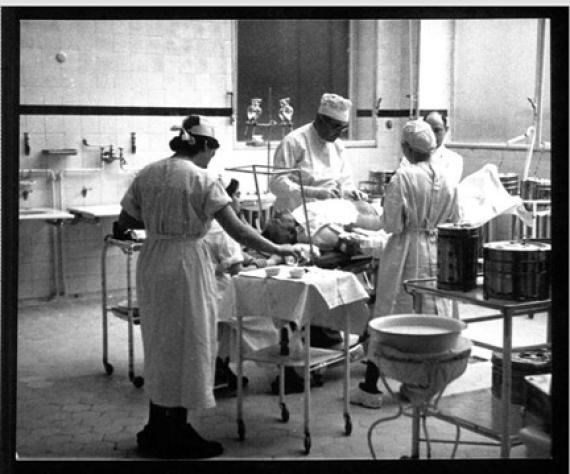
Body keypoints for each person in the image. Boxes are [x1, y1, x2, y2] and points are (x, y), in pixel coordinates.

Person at [117, 115, 300, 459]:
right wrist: (279, 249)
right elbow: (239, 231)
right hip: (186, 262)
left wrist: (162, 218)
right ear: (203, 146)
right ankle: (176, 433)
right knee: (189, 343)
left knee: (159, 342)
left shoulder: (148, 173)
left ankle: (156, 426)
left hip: (154, 259)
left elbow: (126, 220)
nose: (211, 160)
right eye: (211, 153)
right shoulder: (203, 179)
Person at [350, 119, 460, 409]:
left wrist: (366, 220)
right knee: (429, 316)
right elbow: (455, 219)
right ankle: (421, 385)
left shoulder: (404, 177)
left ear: (407, 148)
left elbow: (391, 224)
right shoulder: (448, 177)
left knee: (390, 315)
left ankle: (370, 387)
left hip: (406, 253)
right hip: (436, 251)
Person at [203, 178, 281, 391]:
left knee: (227, 328)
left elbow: (231, 257)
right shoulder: (223, 230)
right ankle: (288, 371)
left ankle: (219, 367)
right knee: (271, 319)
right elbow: (239, 272)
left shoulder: (206, 225)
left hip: (204, 291)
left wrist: (248, 257)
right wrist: (272, 261)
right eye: (236, 196)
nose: (240, 200)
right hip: (220, 294)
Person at [269, 92, 367, 213]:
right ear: (320, 120)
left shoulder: (337, 146)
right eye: (336, 128)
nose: (339, 133)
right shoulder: (294, 142)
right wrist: (313, 192)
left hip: (326, 213)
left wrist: (350, 192)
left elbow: (345, 182)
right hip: (295, 214)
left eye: (343, 129)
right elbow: (276, 184)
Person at [400, 111, 464, 186]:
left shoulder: (454, 160)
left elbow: (448, 187)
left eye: (437, 130)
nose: (432, 135)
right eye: (428, 130)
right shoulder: (408, 158)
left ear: (446, 130)